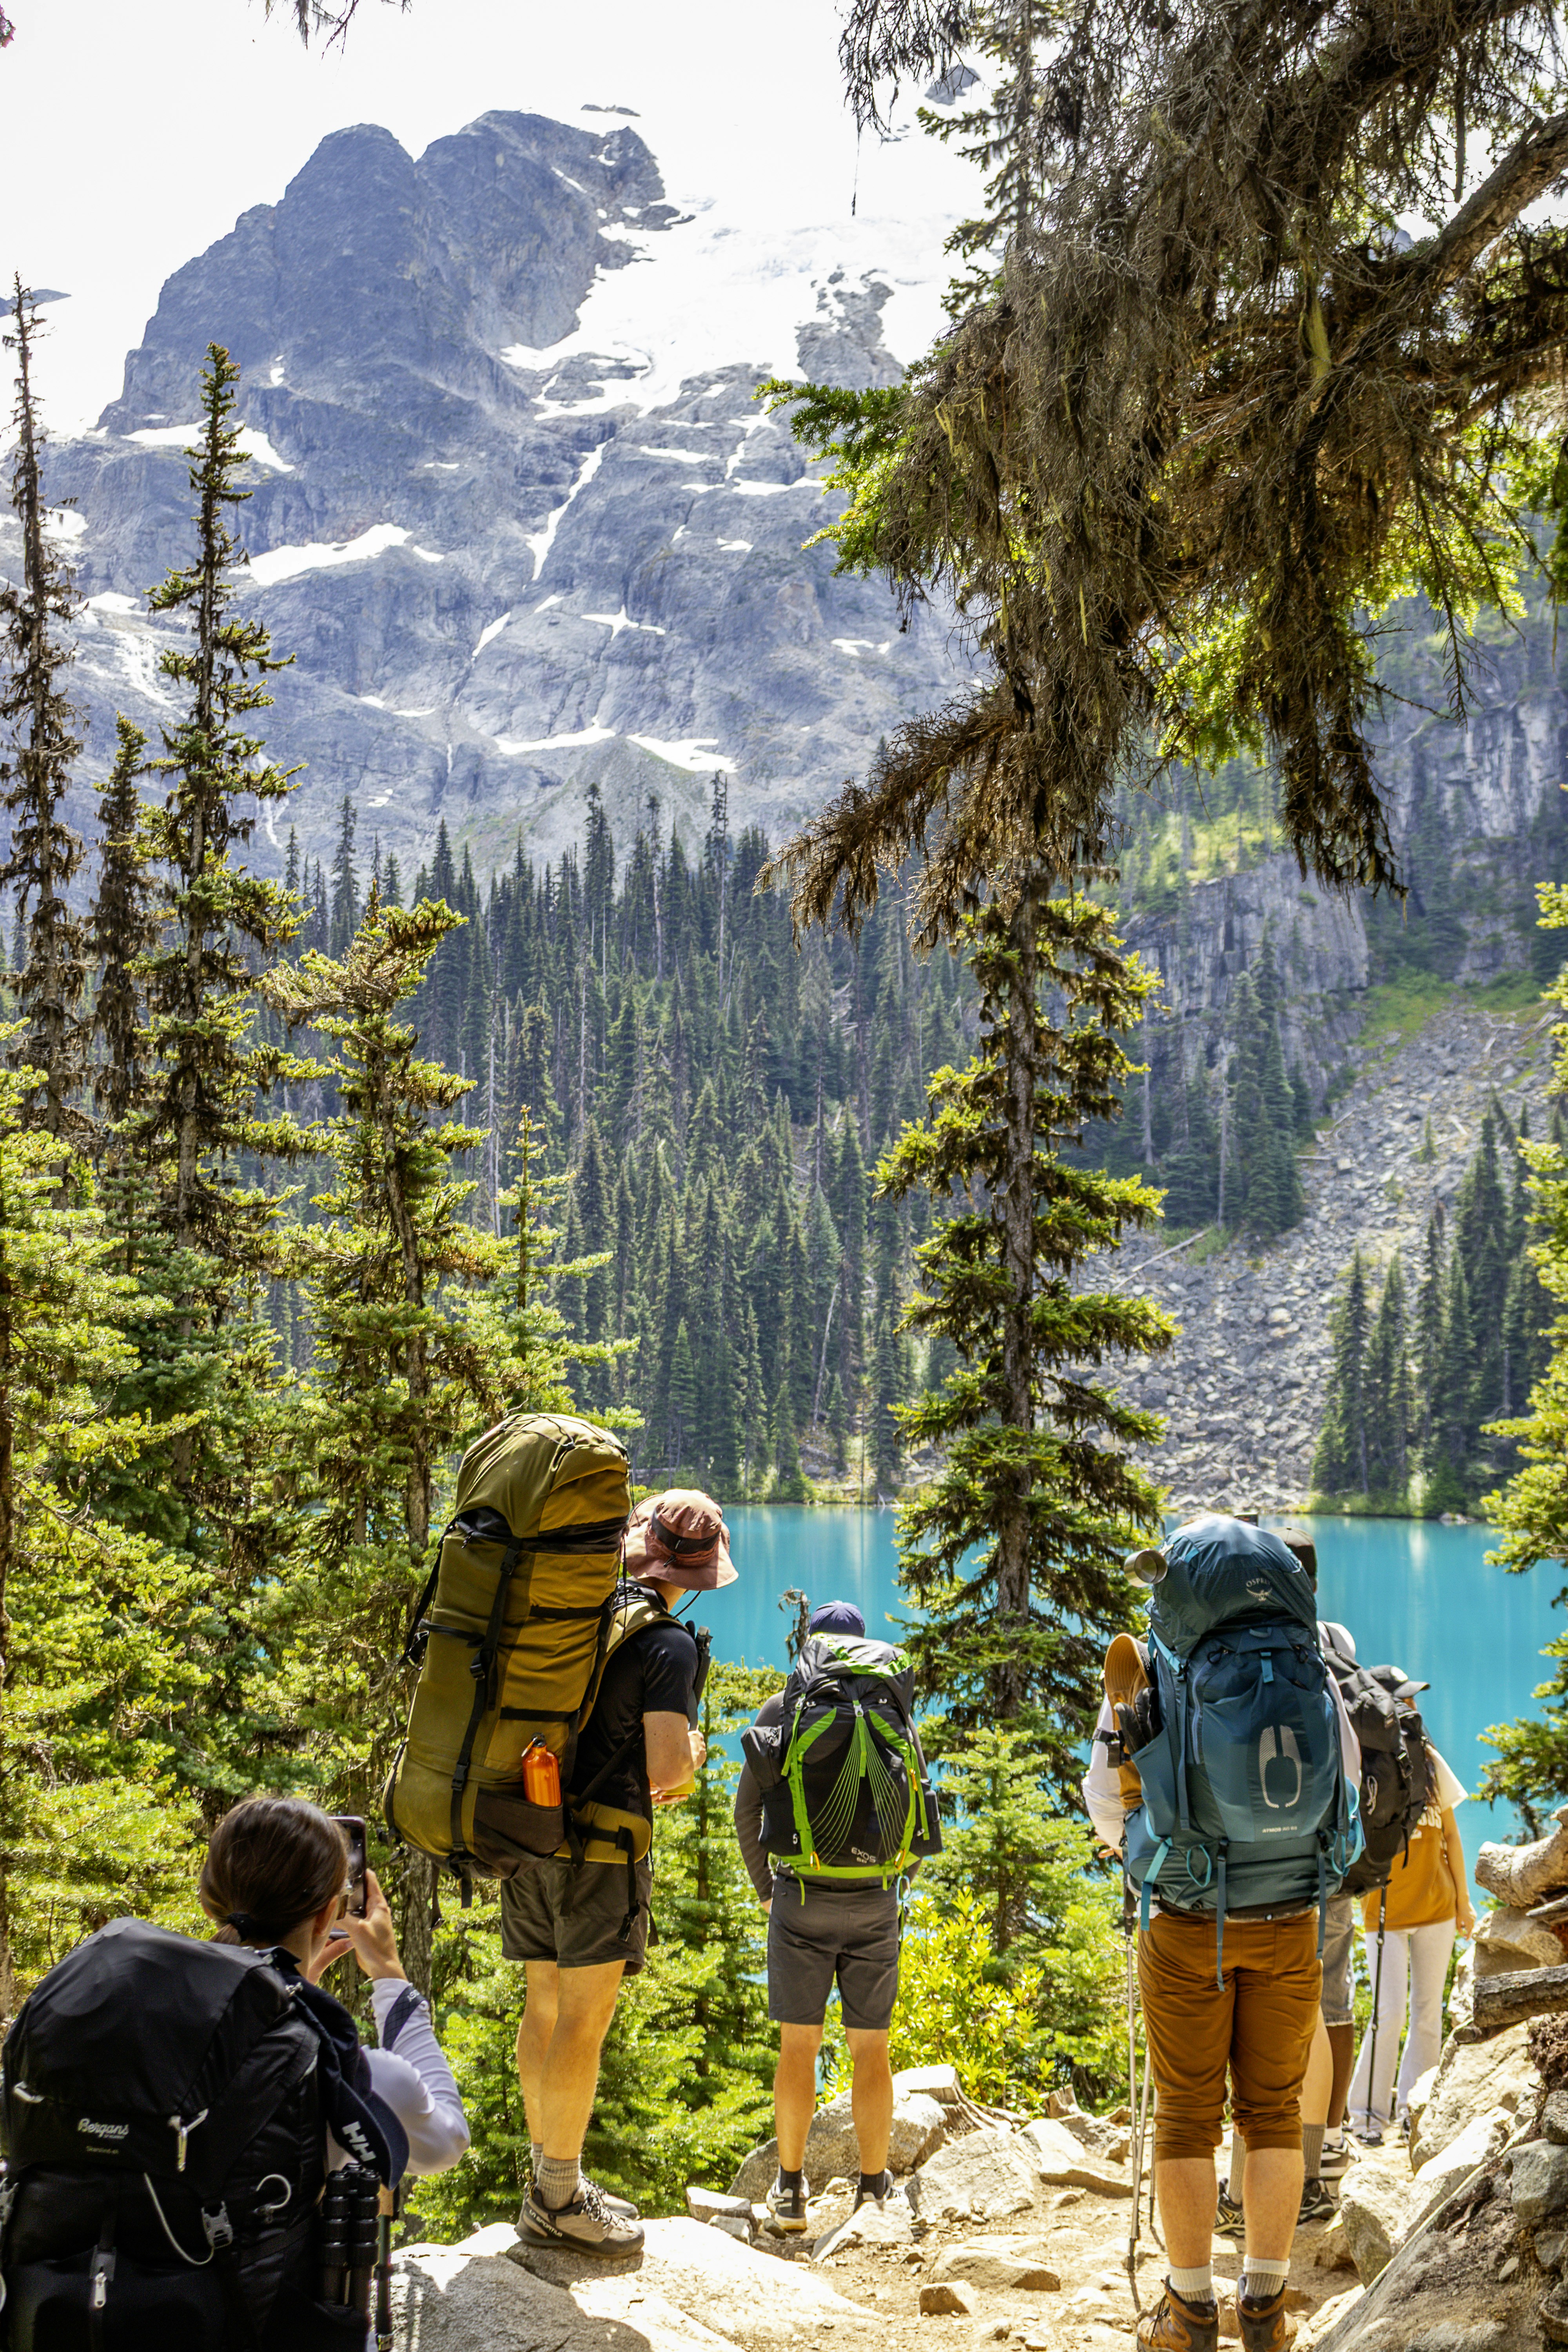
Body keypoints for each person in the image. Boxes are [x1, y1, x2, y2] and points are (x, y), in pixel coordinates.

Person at [1084, 1514, 1361, 2352]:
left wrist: (1154, 1841)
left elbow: (1103, 1802)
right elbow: (1343, 1781)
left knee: (1185, 2117)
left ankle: (1188, 2310)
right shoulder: (1305, 1657)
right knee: (1272, 2114)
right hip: (1289, 1917)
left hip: (1186, 1918)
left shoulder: (1148, 1666)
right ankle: (1266, 2309)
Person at [508, 1488, 732, 2256]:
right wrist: (696, 1754)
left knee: (542, 2007)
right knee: (584, 2019)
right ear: (693, 1574)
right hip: (600, 1855)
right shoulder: (664, 1645)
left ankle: (545, 2178)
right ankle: (562, 2197)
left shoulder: (580, 1613)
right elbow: (667, 1771)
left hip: (531, 1834)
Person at [734, 1601, 908, 2236]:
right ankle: (872, 2193)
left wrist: (766, 1893)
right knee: (872, 2049)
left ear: (810, 1647)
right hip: (873, 1900)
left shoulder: (784, 1711)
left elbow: (745, 1815)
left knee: (798, 2048)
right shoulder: (891, 1708)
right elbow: (916, 1814)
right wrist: (892, 1883)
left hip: (799, 1900)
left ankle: (788, 2191)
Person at [201, 1795, 470, 2176]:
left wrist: (289, 1992)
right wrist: (388, 1972)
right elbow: (448, 2141)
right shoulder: (355, 2078)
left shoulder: (157, 2017)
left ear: (212, 1907)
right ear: (330, 1913)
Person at [1345, 1682, 1473, 2141]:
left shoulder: (1431, 1762)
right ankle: (1364, 2116)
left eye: (1413, 1699)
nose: (1412, 1706)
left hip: (1437, 1909)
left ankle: (1414, 2113)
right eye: (1403, 1697)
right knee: (1387, 2013)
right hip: (1386, 1913)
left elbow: (1452, 1838)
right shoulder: (1367, 1765)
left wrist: (1463, 1901)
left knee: (1426, 2014)